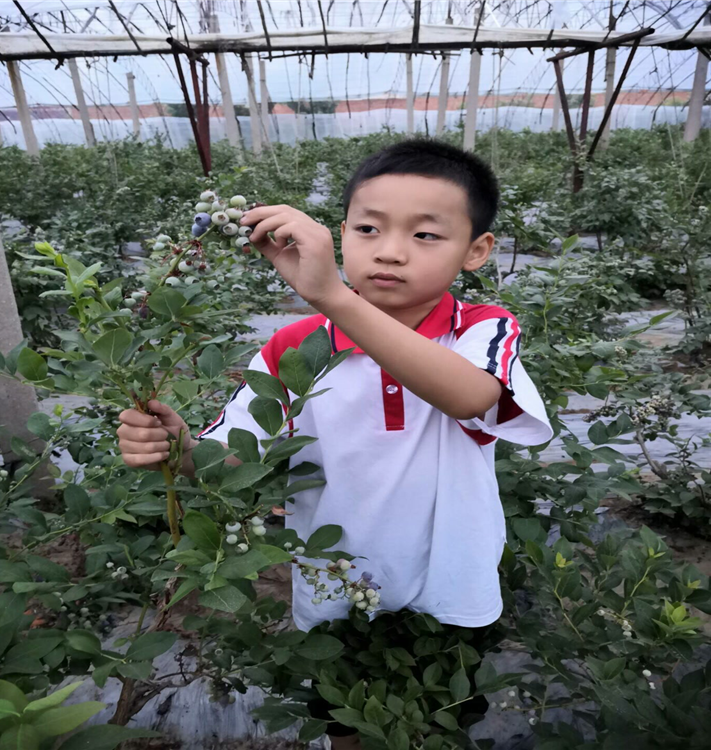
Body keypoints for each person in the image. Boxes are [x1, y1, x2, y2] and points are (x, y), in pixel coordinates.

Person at [117, 137, 552, 748]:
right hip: (332, 588)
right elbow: (231, 459)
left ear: (475, 250)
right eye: (369, 229)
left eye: (426, 235)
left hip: (448, 585)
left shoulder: (480, 329)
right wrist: (176, 445)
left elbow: (470, 396)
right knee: (346, 720)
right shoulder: (294, 346)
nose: (391, 252)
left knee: (437, 722)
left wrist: (334, 297)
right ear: (340, 232)